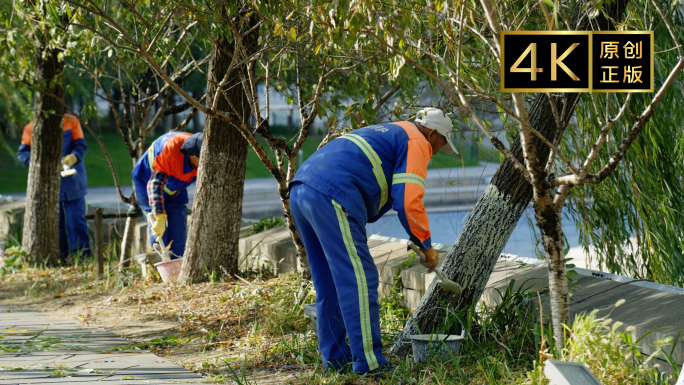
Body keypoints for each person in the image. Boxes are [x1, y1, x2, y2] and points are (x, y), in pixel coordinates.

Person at [288, 107, 459, 375]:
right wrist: (426, 246)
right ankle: (370, 364)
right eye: (441, 144)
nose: (437, 151)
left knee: (329, 282)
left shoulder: (392, 131)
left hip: (301, 189)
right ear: (434, 133)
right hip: (333, 194)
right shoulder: (417, 141)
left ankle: (335, 360)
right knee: (360, 278)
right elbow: (408, 201)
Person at [17, 114, 91, 261]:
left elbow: (81, 145)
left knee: (76, 220)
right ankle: (59, 256)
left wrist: (73, 157)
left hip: (72, 179)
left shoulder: (71, 121)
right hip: (48, 182)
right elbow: (23, 153)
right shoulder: (31, 127)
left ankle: (81, 256)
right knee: (55, 223)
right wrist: (40, 164)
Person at [132, 131, 202, 258]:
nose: (205, 164)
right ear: (192, 156)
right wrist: (158, 215)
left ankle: (177, 267)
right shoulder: (170, 152)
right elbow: (155, 184)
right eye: (202, 160)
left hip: (175, 187)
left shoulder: (201, 146)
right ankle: (160, 270)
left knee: (178, 229)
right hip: (146, 182)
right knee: (159, 233)